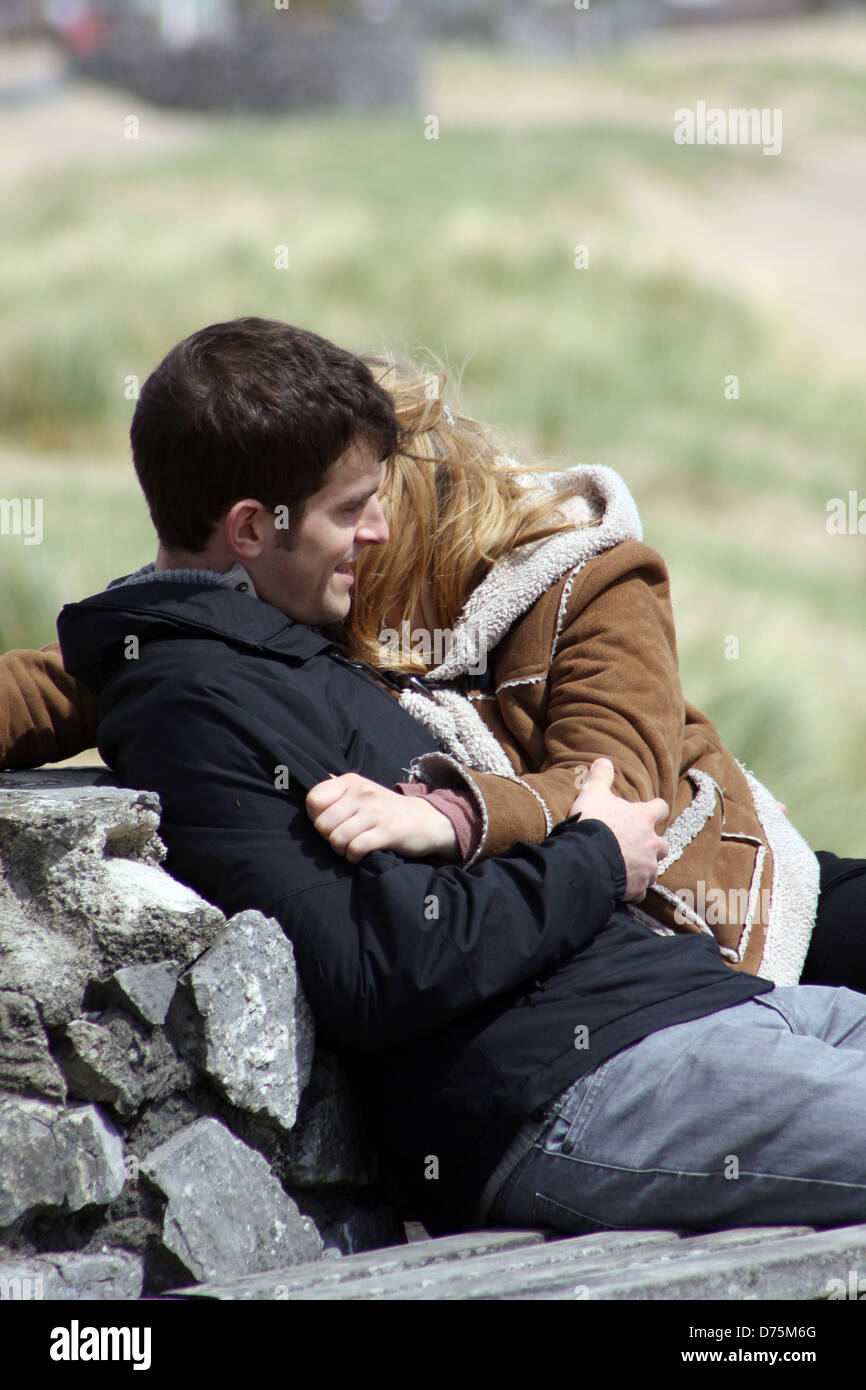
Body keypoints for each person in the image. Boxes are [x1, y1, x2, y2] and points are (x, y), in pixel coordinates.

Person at [6, 316, 866, 1241]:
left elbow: (612, 786)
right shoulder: (207, 681)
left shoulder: (529, 593)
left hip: (718, 988)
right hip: (585, 1082)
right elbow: (380, 968)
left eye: (383, 502)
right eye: (351, 508)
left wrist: (463, 818)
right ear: (256, 528)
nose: (374, 536)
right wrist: (586, 864)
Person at [304, 351, 866, 997]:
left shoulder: (593, 580)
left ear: (407, 522)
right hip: (592, 964)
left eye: (358, 512)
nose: (355, 540)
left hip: (748, 913)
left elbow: (616, 796)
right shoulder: (317, 618)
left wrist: (454, 816)